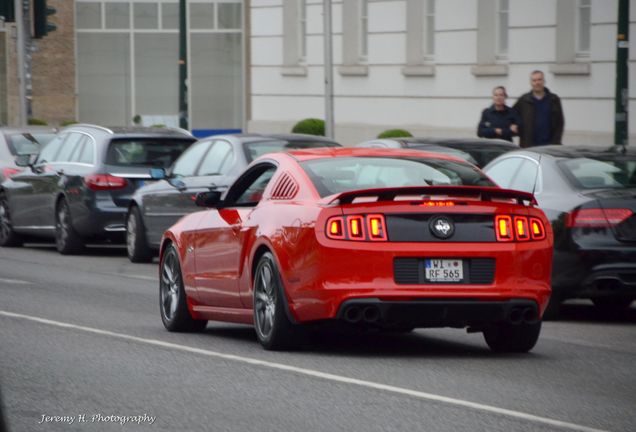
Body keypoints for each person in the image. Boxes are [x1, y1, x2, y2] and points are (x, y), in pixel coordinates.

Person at [513, 70, 565, 147]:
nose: (537, 83)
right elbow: (512, 115)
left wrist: (556, 141)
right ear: (531, 83)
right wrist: (514, 124)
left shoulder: (554, 99)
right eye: (534, 80)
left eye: (539, 80)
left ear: (544, 81)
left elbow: (560, 122)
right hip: (529, 146)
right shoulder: (524, 100)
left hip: (550, 145)